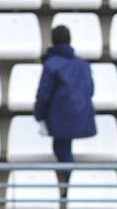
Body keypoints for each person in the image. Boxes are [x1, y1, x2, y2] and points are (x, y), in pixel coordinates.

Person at [34, 25, 96, 164]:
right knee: (63, 148)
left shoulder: (51, 64)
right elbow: (90, 89)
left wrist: (39, 115)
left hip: (60, 115)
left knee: (61, 149)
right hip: (80, 113)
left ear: (52, 41)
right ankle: (71, 181)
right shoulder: (82, 64)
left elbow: (44, 93)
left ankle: (72, 182)